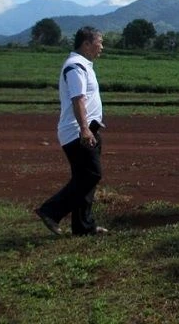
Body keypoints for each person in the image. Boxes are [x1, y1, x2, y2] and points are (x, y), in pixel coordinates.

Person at [35, 26, 108, 236]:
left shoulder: (83, 65)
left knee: (84, 178)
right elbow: (78, 100)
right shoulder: (75, 66)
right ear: (86, 44)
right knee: (91, 175)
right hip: (77, 132)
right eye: (99, 42)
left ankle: (83, 227)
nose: (102, 47)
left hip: (88, 130)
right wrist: (84, 129)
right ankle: (50, 211)